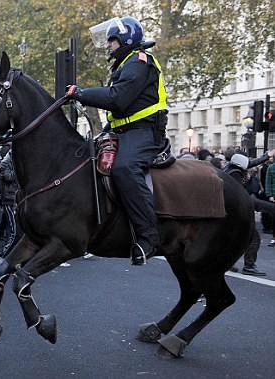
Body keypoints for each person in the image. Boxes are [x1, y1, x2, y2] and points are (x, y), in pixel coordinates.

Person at [66, 16, 167, 265]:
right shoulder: (124, 65)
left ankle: (149, 237)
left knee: (124, 168)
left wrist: (81, 94)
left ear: (126, 39)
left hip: (144, 133)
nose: (109, 46)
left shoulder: (139, 62)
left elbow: (117, 99)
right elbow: (122, 110)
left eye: (111, 41)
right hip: (123, 131)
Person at [227, 152, 272, 276]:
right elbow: (243, 198)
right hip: (237, 215)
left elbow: (251, 163)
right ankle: (249, 266)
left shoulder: (231, 170)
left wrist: (267, 156)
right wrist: (269, 207)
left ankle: (229, 262)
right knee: (253, 239)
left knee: (234, 240)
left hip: (230, 214)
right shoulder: (235, 175)